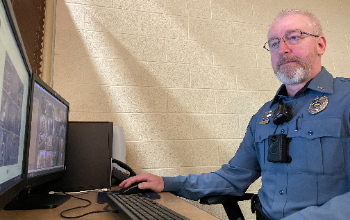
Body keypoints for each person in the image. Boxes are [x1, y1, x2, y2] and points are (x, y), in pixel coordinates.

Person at [120, 9, 350, 220]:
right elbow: (232, 177)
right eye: (274, 43)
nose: (283, 49)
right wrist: (166, 183)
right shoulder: (263, 117)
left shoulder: (346, 99)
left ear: (320, 45)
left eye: (294, 37)